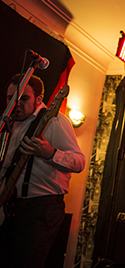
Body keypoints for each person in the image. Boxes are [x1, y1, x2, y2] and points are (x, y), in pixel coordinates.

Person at [0, 74, 86, 268]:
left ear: (38, 99)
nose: (16, 104)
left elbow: (79, 162)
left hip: (41, 208)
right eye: (10, 98)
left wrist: (51, 154)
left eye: (23, 98)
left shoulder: (54, 121)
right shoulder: (8, 124)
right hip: (11, 206)